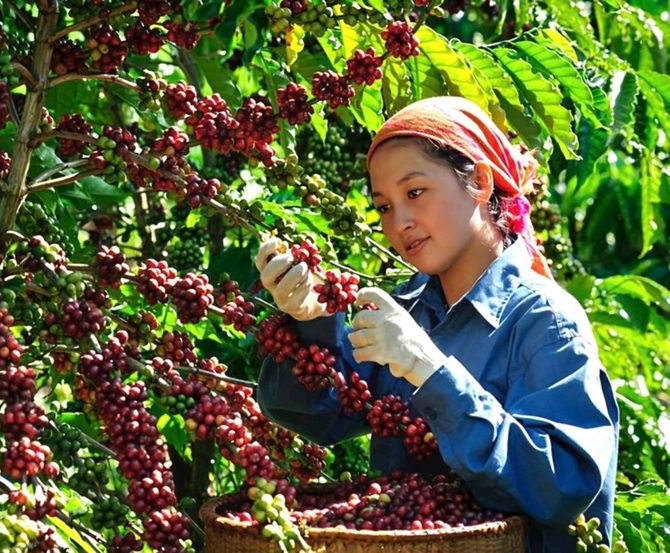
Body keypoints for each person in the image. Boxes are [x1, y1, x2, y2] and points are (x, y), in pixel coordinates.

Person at [253, 96, 619, 553]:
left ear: (480, 181)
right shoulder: (405, 312)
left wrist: (429, 369)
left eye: (415, 192)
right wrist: (312, 323)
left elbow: (562, 485)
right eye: (384, 206)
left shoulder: (545, 320)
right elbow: (318, 415)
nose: (400, 221)